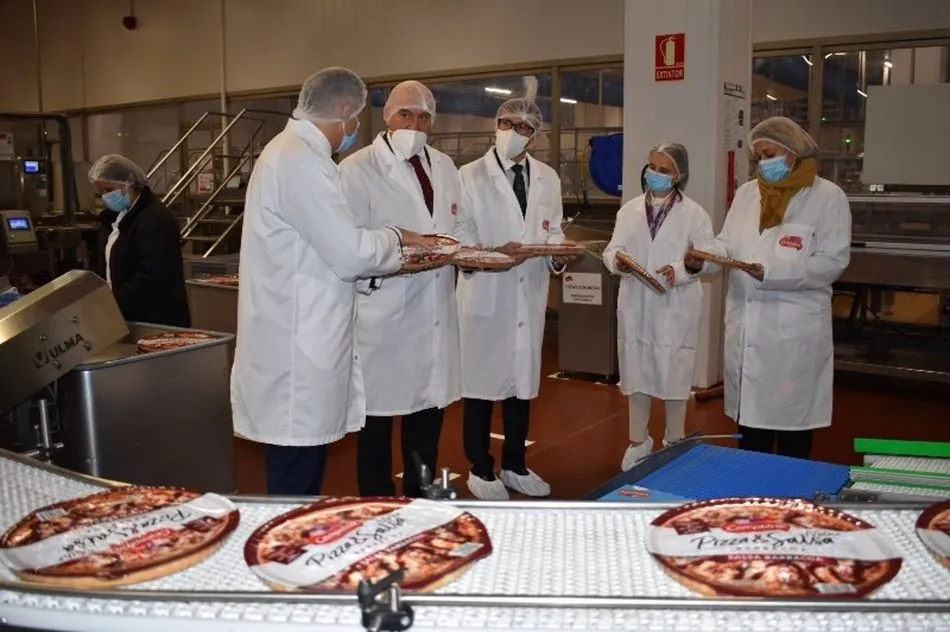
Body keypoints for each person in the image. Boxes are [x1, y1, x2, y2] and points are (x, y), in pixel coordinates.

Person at [230, 67, 427, 497]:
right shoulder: (299, 161)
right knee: (296, 476)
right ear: (342, 109)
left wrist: (386, 244)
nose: (354, 127)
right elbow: (350, 253)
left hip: (301, 334)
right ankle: (290, 537)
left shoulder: (292, 154)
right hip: (298, 347)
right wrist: (397, 237)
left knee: (302, 465)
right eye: (355, 117)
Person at [687, 116, 851, 459]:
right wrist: (702, 259)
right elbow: (727, 243)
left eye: (770, 154)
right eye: (759, 156)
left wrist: (771, 272)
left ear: (793, 151)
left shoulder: (827, 197)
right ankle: (752, 482)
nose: (763, 163)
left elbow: (832, 262)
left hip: (793, 332)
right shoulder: (748, 194)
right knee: (751, 432)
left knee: (792, 433)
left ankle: (791, 487)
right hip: (747, 325)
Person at [339, 81, 462, 498]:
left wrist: (473, 250)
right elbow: (350, 243)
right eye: (406, 114)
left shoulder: (444, 167)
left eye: (424, 116)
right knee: (375, 423)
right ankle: (376, 502)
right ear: (387, 116)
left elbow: (456, 225)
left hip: (434, 310)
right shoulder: (356, 169)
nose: (415, 124)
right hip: (383, 314)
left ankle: (420, 495)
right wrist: (404, 255)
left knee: (427, 417)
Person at [454, 98, 574, 500]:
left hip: (527, 294)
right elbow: (460, 234)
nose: (512, 132)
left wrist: (559, 253)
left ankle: (515, 465)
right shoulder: (469, 175)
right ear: (496, 125)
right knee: (480, 389)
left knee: (521, 388)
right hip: (485, 294)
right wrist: (495, 254)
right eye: (506, 123)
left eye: (523, 127)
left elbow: (552, 230)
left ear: (535, 136)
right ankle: (480, 468)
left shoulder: (547, 178)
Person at [603, 143, 713, 471]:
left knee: (675, 371)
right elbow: (612, 249)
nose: (655, 174)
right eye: (652, 167)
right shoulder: (629, 210)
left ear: (679, 176)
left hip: (674, 304)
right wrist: (618, 261)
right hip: (636, 300)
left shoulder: (695, 214)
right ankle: (639, 440)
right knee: (636, 370)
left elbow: (706, 259)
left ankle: (674, 440)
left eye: (664, 170)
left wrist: (682, 269)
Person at [88, 154, 190, 328]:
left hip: (157, 319)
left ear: (128, 183)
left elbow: (152, 274)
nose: (105, 197)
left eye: (108, 189)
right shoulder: (123, 216)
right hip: (132, 315)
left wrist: (114, 304)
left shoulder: (155, 220)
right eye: (101, 192)